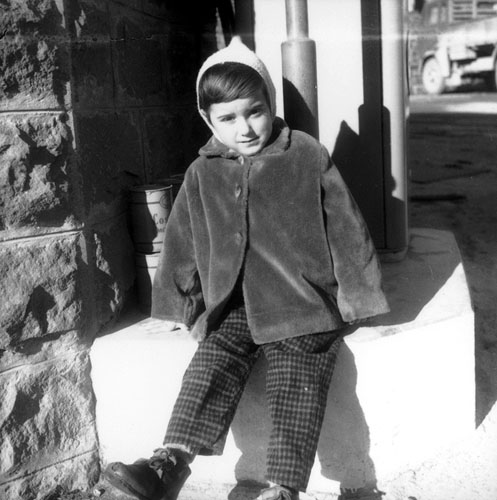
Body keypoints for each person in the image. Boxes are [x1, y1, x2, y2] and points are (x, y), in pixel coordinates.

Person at [105, 37, 389, 500]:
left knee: (297, 377)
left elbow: (347, 227)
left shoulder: (306, 155)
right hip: (233, 303)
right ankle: (168, 465)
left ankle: (283, 489)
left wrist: (359, 298)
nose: (245, 129)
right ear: (207, 119)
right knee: (211, 360)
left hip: (303, 303)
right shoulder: (201, 172)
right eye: (228, 119)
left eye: (254, 112)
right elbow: (182, 241)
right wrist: (178, 304)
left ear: (270, 103)